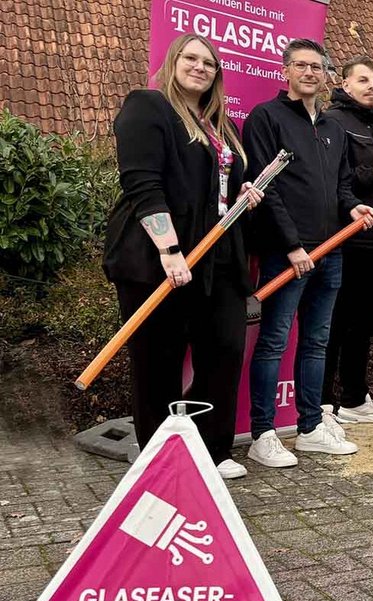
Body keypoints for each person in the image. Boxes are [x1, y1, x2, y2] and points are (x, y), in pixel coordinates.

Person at [103, 34, 263, 480]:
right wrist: (170, 250)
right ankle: (158, 455)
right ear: (173, 62)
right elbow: (142, 184)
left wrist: (240, 192)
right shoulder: (149, 107)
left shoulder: (221, 126)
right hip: (161, 258)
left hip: (219, 257)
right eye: (191, 58)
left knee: (224, 351)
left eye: (209, 63)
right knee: (159, 358)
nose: (200, 67)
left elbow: (215, 186)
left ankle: (213, 450)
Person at [243, 39, 373, 468]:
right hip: (288, 253)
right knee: (274, 341)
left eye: (316, 67)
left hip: (331, 251)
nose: (309, 73)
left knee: (317, 341)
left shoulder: (332, 128)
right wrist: (292, 246)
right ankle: (262, 433)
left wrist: (352, 207)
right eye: (300, 65)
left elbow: (340, 186)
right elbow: (268, 188)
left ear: (326, 75)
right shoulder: (266, 119)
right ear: (285, 71)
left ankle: (309, 428)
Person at [320, 55, 373, 425]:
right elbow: (335, 181)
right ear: (346, 84)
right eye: (364, 80)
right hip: (349, 238)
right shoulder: (334, 123)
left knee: (365, 323)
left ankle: (354, 398)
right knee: (338, 322)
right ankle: (323, 404)